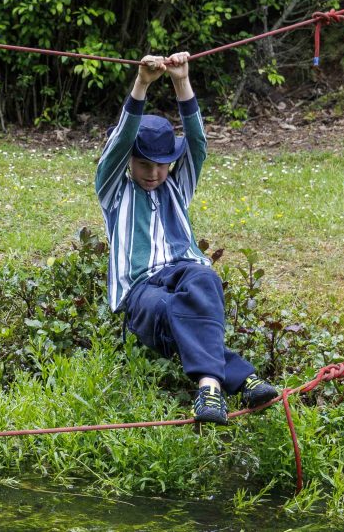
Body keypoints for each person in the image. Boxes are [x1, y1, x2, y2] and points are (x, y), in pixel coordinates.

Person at [95, 51, 278, 424]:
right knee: (170, 308)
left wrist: (182, 81)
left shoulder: (178, 186)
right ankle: (242, 377)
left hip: (184, 270)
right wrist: (142, 83)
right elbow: (119, 142)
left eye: (162, 164)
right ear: (129, 160)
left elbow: (197, 143)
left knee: (205, 278)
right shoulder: (114, 191)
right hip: (141, 290)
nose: (154, 173)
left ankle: (209, 389)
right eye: (144, 164)